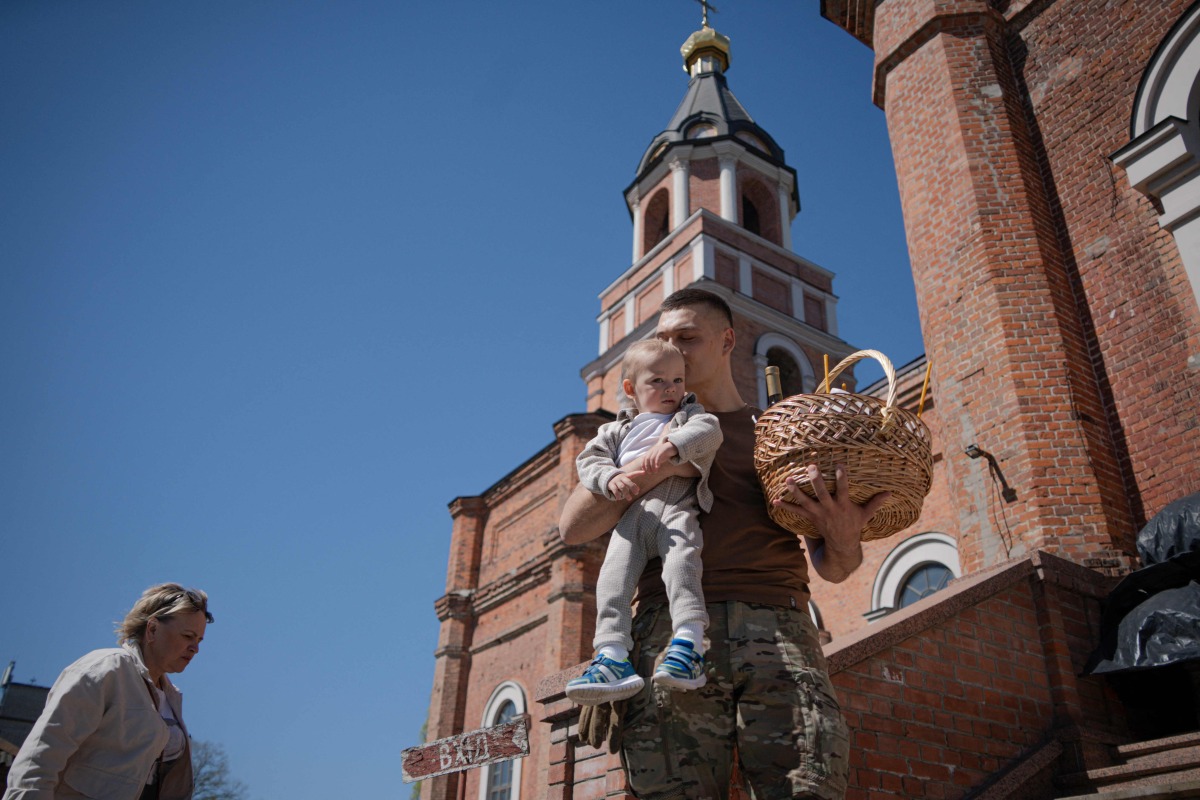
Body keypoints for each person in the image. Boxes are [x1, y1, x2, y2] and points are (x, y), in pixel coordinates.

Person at [560, 288, 890, 800]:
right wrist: (613, 657)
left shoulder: (775, 431)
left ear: (726, 341)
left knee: (809, 787)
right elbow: (574, 527)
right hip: (663, 637)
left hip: (779, 629)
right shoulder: (631, 432)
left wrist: (844, 538)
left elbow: (835, 567)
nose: (673, 350)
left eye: (687, 338)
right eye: (663, 340)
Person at [566, 339, 723, 706]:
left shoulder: (688, 416)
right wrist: (608, 479)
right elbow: (588, 462)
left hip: (677, 507)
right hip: (633, 518)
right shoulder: (614, 431)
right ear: (630, 389)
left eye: (678, 380)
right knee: (611, 581)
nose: (671, 389)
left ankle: (689, 642)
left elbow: (710, 431)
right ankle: (611, 655)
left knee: (683, 565)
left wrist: (672, 446)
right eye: (658, 381)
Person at [4, 583, 213, 800]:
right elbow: (41, 757)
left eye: (199, 640)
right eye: (188, 636)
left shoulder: (171, 697)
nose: (195, 648)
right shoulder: (105, 670)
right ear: (152, 629)